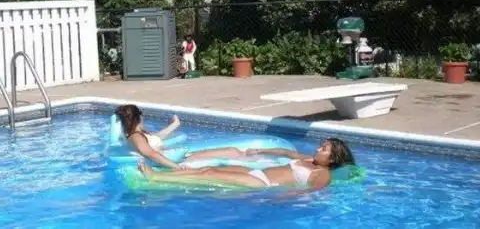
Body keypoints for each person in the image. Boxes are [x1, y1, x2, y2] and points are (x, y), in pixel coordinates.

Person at [137, 138, 356, 191]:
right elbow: (285, 152)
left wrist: (285, 197)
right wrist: (261, 151)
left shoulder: (322, 174)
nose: (318, 149)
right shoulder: (308, 159)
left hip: (263, 182)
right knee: (208, 169)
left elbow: (312, 191)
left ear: (333, 159)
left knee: (208, 175)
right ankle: (158, 173)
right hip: (256, 172)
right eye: (321, 145)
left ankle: (155, 177)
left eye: (324, 149)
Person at [114, 104, 189, 170]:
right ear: (139, 117)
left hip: (168, 160)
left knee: (196, 154)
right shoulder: (136, 137)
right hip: (163, 164)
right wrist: (176, 166)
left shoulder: (139, 133)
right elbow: (151, 154)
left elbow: (156, 137)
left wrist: (175, 124)